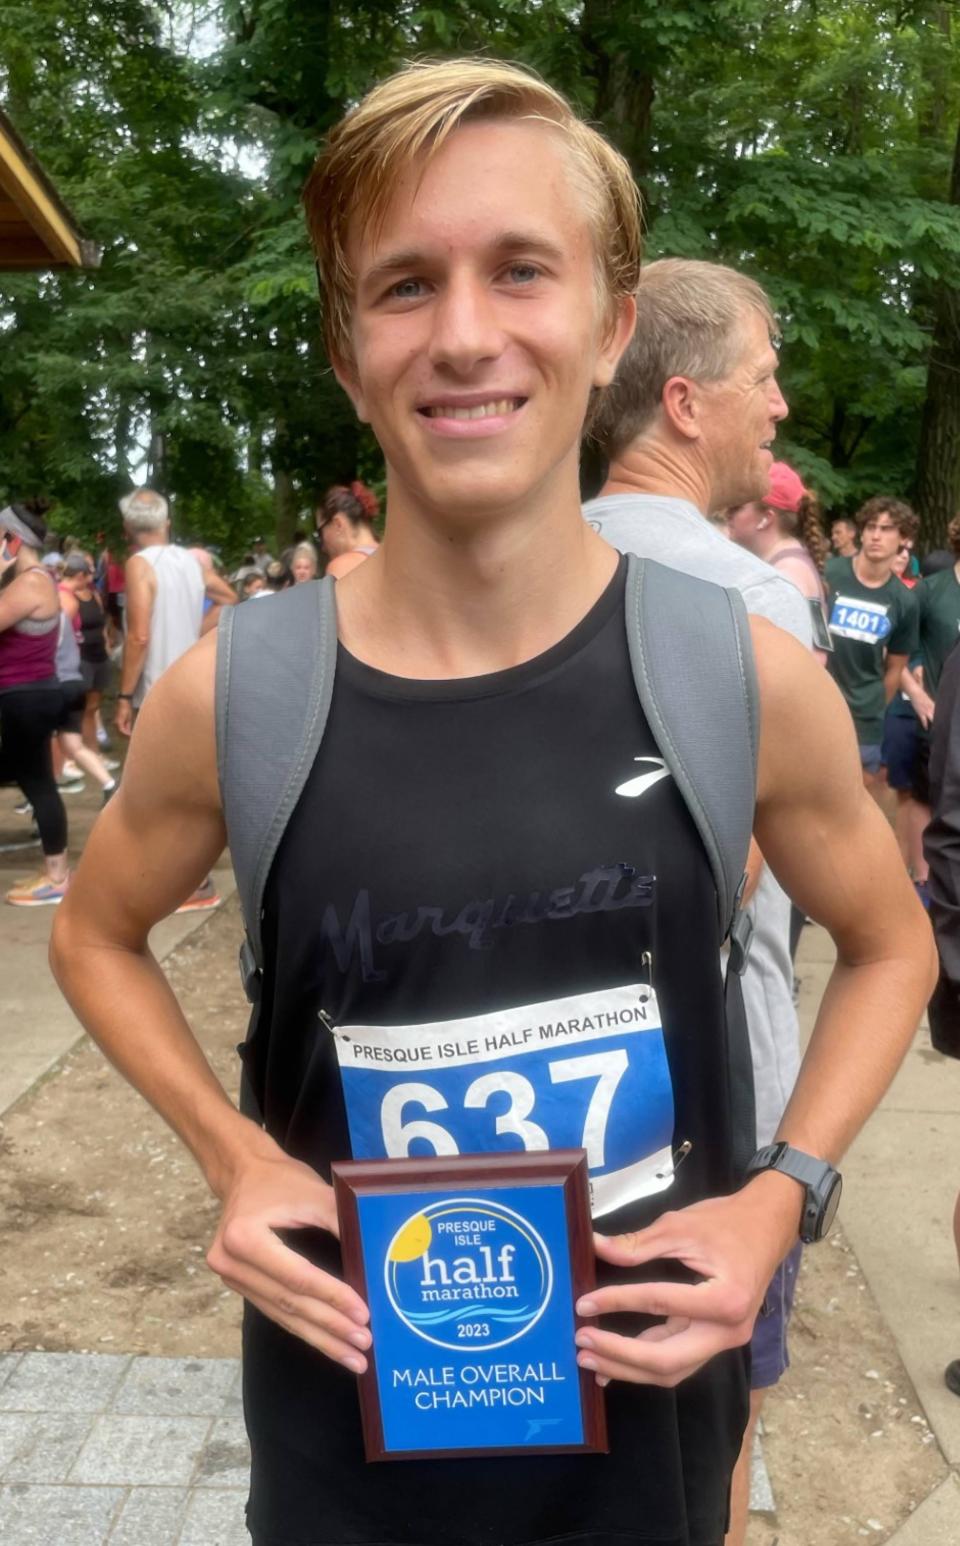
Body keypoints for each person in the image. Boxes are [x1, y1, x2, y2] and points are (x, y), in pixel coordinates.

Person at [51, 59, 935, 1546]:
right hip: (352, 1447)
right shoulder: (246, 693)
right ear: (346, 351)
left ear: (606, 325)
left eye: (520, 270)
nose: (464, 334)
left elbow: (891, 942)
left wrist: (787, 1189)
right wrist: (232, 1148)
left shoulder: (730, 672)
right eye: (404, 286)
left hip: (647, 1447)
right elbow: (94, 931)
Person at [582, 259, 815, 1546]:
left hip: (561, 1098)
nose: (777, 406)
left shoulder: (525, 570)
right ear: (683, 400)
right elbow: (737, 881)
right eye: (763, 375)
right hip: (720, 1113)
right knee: (715, 1409)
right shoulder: (751, 600)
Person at [115, 487, 219, 912]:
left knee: (156, 790)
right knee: (188, 784)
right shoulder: (189, 562)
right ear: (167, 524)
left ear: (127, 529)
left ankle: (187, 885)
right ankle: (192, 881)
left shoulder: (140, 564)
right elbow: (230, 598)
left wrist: (124, 695)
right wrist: (197, 631)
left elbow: (138, 636)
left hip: (157, 689)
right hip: (192, 682)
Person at [825, 497, 919, 807]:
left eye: (887, 529)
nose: (877, 535)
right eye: (871, 527)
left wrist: (875, 704)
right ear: (861, 533)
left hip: (864, 717)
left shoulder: (904, 602)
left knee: (847, 806)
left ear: (904, 539)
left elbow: (896, 667)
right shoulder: (830, 573)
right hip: (817, 699)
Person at [0, 503, 69, 904]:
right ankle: (55, 872)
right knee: (35, 778)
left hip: (28, 696)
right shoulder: (25, 579)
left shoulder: (31, 583)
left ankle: (58, 878)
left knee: (38, 782)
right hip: (26, 695)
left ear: (12, 539)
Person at [58, 552, 113, 755]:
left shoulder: (94, 595)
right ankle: (70, 759)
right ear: (80, 575)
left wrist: (106, 642)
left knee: (92, 708)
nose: (93, 578)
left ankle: (94, 753)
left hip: (99, 657)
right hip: (80, 660)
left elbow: (102, 622)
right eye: (89, 573)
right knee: (75, 711)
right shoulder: (66, 598)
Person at [316, 485, 380, 578]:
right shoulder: (393, 557)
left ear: (338, 524)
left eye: (320, 533)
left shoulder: (342, 567)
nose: (323, 547)